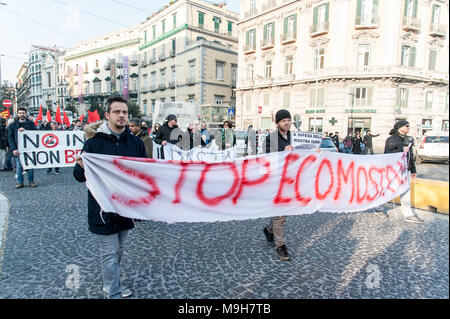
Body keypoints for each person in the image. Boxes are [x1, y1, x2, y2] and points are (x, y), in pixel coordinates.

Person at [73, 95, 147, 299]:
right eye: (117, 111)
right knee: (109, 252)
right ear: (107, 115)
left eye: (124, 112)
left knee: (119, 251)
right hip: (102, 209)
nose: (122, 115)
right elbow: (78, 177)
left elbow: (144, 173)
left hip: (125, 208)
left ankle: (113, 282)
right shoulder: (93, 143)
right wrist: (81, 165)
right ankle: (112, 291)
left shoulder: (135, 143)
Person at [263, 109, 293, 261]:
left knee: (283, 212)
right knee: (280, 215)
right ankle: (280, 245)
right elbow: (266, 158)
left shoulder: (294, 137)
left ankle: (269, 231)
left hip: (291, 179)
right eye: (283, 121)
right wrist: (283, 151)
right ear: (277, 123)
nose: (287, 123)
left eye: (288, 120)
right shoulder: (271, 139)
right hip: (276, 180)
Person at [384, 120, 423, 224]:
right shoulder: (391, 139)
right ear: (400, 127)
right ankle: (378, 206)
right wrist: (401, 149)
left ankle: (408, 214)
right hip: (394, 170)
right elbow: (387, 154)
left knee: (405, 191)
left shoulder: (408, 139)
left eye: (409, 126)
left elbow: (410, 156)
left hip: (405, 170)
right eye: (407, 126)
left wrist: (413, 170)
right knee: (387, 189)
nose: (408, 128)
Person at [7, 107, 37, 188]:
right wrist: (13, 149)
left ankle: (31, 181)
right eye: (20, 113)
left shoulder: (31, 124)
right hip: (18, 149)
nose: (21, 114)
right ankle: (20, 182)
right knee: (19, 166)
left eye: (23, 113)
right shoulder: (13, 125)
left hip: (29, 148)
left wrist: (26, 131)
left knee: (30, 165)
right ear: (17, 114)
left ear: (26, 114)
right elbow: (10, 137)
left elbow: (35, 134)